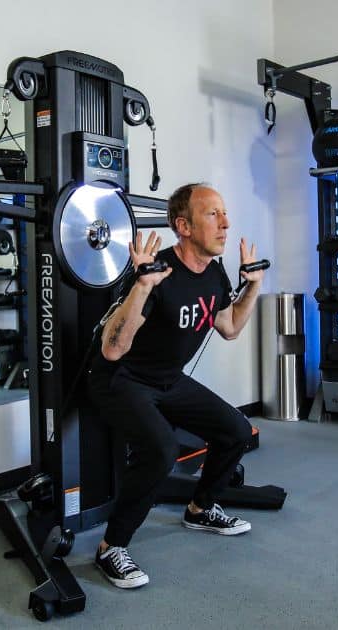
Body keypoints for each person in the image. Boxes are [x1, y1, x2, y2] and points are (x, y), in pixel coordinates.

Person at [88, 183, 265, 589]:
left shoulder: (215, 273)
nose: (225, 223)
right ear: (182, 226)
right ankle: (111, 547)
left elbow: (231, 327)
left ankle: (200, 508)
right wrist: (142, 288)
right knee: (161, 449)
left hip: (166, 380)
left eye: (224, 213)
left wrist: (252, 284)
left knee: (237, 430)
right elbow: (113, 351)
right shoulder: (157, 272)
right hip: (120, 379)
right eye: (212, 214)